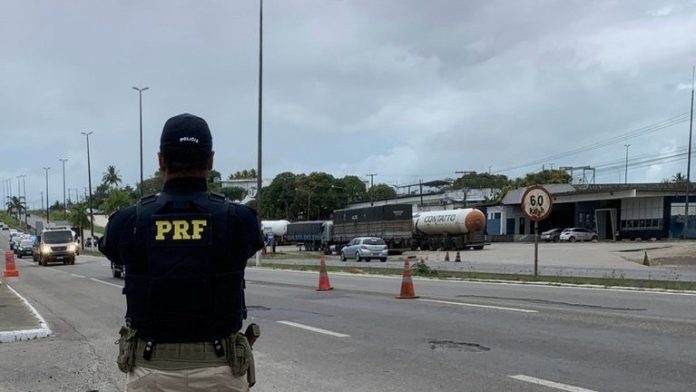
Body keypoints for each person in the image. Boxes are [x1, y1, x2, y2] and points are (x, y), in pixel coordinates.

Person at [99, 113, 263, 391]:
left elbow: (112, 250)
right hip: (220, 369)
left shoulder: (129, 222)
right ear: (210, 161)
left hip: (151, 370)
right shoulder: (239, 219)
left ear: (161, 161)